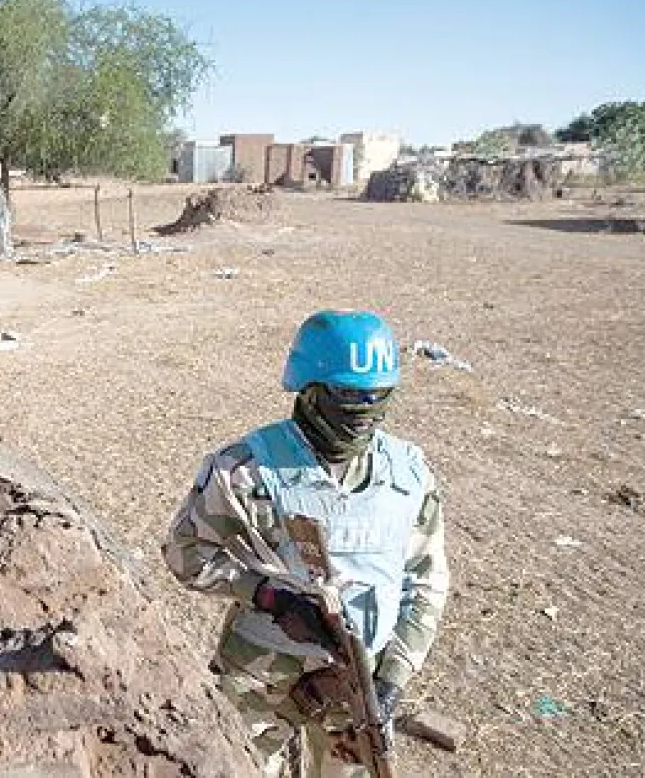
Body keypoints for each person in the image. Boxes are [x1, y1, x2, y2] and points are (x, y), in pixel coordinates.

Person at [162, 310, 450, 778]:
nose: (363, 412)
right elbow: (185, 554)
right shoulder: (246, 470)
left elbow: (425, 583)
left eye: (377, 396)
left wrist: (393, 678)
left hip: (359, 684)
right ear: (309, 388)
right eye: (348, 396)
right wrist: (268, 595)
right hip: (261, 674)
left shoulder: (408, 475)